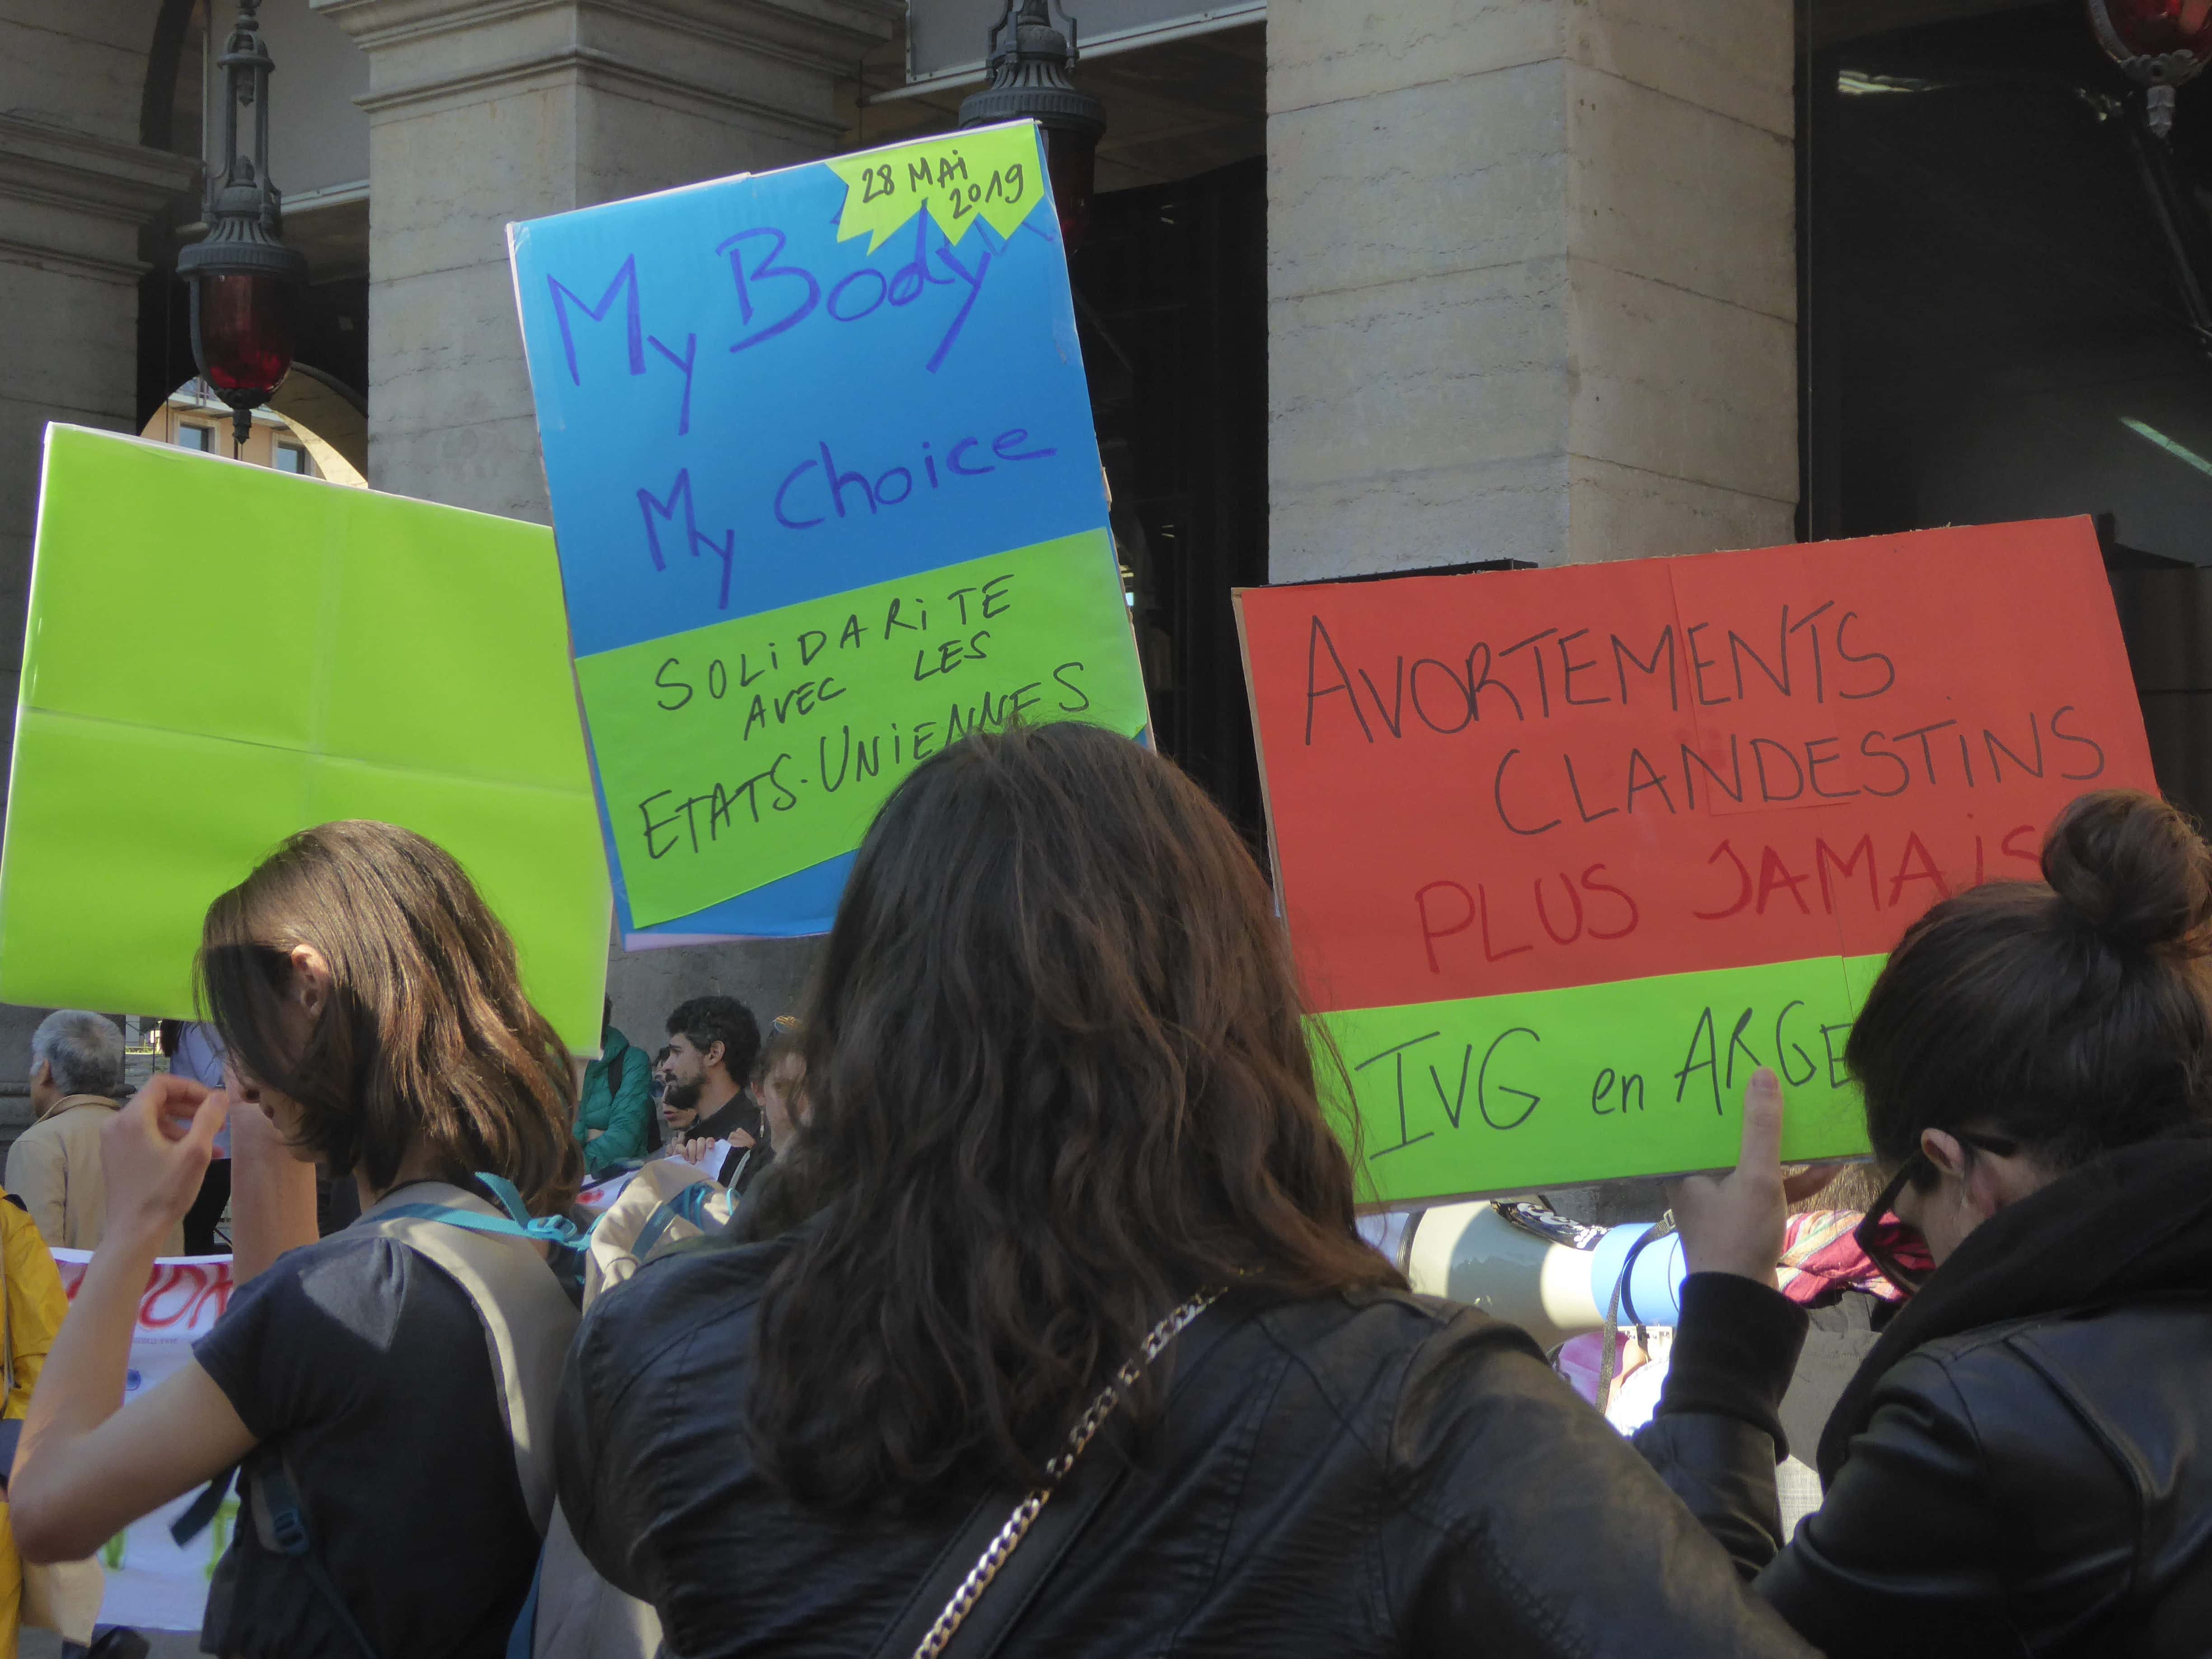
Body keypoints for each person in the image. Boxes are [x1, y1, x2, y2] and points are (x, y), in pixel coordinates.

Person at [556, 723, 1810, 1657]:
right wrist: (1729, 1337)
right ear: (1231, 1015)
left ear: (867, 1024)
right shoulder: (1417, 1411)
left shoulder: (659, 1351)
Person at [1642, 789, 2212, 1655]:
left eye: (1908, 1234)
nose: (1918, 1272)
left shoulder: (1981, 1427)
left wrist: (1722, 1329)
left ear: (1960, 1166)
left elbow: (1708, 1644)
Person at [9, 820, 584, 1659]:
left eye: (240, 1032)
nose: (234, 1075)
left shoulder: (353, 1294)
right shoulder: (512, 1244)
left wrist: (135, 1222)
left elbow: (48, 1509)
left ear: (309, 984)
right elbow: (286, 1353)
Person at [7, 1012, 181, 1257]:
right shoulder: (156, 1140)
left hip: (76, 1295)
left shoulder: (37, 1145)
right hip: (154, 1294)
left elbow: (34, 1263)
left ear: (45, 1071)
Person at [659, 996, 768, 1192]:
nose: (666, 1066)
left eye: (677, 1053)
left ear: (714, 1054)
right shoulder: (687, 1140)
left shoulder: (760, 1143)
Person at [159, 1019, 233, 1255]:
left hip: (201, 1141)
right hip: (211, 1144)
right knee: (196, 1234)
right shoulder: (200, 1025)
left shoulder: (189, 1025)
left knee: (194, 1231)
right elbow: (216, 1077)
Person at [575, 998, 656, 1175]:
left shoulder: (631, 1061)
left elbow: (624, 1140)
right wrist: (587, 1134)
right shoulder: (543, 1065)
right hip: (551, 1192)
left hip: (615, 1189)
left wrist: (563, 1169)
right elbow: (535, 1140)